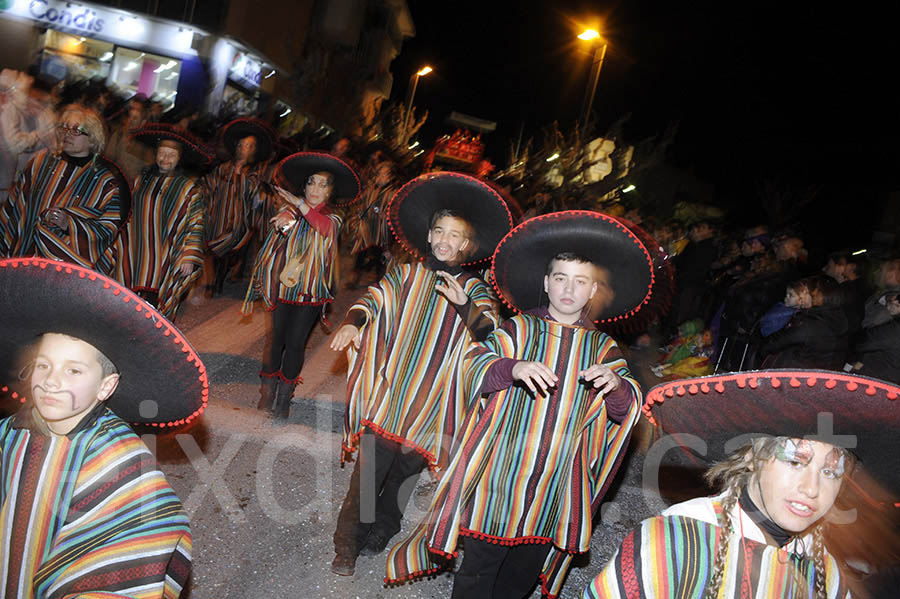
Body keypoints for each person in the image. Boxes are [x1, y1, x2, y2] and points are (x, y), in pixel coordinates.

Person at [386, 210, 652, 599]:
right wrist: (511, 367)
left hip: (555, 486)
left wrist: (615, 385)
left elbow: (625, 411)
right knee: (477, 572)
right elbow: (473, 364)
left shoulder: (603, 347)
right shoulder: (520, 328)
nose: (569, 289)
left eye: (581, 282)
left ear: (593, 291)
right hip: (500, 479)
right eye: (561, 277)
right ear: (547, 283)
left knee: (519, 580)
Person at [330, 172, 512, 576]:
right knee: (367, 476)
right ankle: (346, 545)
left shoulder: (478, 289)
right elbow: (375, 298)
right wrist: (353, 323)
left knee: (402, 477)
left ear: (466, 244)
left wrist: (465, 304)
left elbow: (491, 334)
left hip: (433, 406)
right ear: (429, 236)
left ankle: (383, 529)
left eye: (456, 235)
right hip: (392, 395)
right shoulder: (406, 273)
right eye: (440, 231)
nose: (446, 240)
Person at [582, 368, 900, 599]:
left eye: (831, 471)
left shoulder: (823, 570)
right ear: (751, 458)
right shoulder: (673, 543)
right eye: (795, 461)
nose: (812, 489)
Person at [0, 256, 209, 598]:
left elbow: (153, 531)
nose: (51, 381)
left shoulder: (120, 459)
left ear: (106, 387)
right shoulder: (11, 432)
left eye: (73, 371)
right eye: (43, 365)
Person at [242, 151, 360, 420]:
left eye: (323, 184)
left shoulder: (334, 217)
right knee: (275, 341)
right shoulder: (289, 212)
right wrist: (285, 216)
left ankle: (284, 398)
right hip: (282, 289)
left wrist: (297, 206)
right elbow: (283, 228)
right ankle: (267, 392)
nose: (316, 189)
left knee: (295, 343)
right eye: (311, 183)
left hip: (311, 292)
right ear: (304, 186)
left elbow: (323, 228)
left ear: (330, 192)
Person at [0, 104, 124, 270]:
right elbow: (15, 206)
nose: (68, 134)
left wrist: (70, 225)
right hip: (22, 254)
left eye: (76, 130)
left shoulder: (104, 182)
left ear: (93, 138)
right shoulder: (41, 163)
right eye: (65, 128)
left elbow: (106, 230)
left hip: (62, 272)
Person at [110, 122, 212, 319]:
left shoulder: (188, 188)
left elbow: (196, 223)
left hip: (166, 255)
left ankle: (150, 340)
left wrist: (189, 254)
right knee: (127, 298)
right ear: (156, 153)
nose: (165, 158)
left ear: (179, 158)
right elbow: (127, 210)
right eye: (162, 153)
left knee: (154, 305)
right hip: (135, 252)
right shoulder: (142, 179)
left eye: (171, 154)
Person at [204, 117, 277, 294]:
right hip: (216, 216)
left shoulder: (254, 173)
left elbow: (258, 197)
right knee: (209, 242)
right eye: (244, 145)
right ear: (237, 147)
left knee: (230, 243)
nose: (247, 149)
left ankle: (218, 279)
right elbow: (209, 185)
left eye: (251, 146)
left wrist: (261, 197)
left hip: (239, 221)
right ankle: (212, 280)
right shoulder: (223, 168)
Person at [0, 69, 57, 199]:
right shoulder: (9, 107)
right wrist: (38, 136)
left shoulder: (36, 111)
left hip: (12, 181)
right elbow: (13, 145)